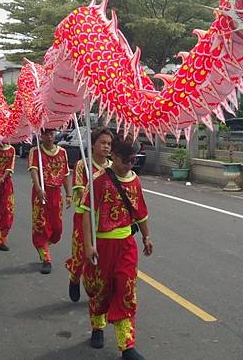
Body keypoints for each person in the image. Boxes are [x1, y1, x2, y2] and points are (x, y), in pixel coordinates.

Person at [81, 136, 153, 360]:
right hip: (103, 244)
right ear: (114, 156)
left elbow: (140, 211)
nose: (129, 165)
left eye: (133, 161)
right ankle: (97, 326)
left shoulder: (135, 181)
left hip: (126, 245)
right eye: (126, 160)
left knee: (125, 289)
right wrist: (88, 244)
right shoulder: (99, 180)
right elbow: (85, 212)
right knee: (102, 290)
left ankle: (126, 345)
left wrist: (146, 236)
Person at [65, 127, 113, 302]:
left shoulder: (112, 168)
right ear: (93, 144)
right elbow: (78, 192)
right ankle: (74, 278)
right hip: (84, 217)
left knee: (103, 257)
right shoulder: (82, 165)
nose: (106, 147)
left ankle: (98, 289)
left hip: (105, 220)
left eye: (109, 144)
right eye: (102, 143)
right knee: (81, 255)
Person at [28, 128, 71, 274]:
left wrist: (69, 194)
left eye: (52, 134)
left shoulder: (62, 152)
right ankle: (46, 258)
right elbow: (33, 170)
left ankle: (44, 246)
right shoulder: (36, 152)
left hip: (56, 194)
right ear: (41, 135)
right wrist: (38, 187)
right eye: (46, 134)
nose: (49, 137)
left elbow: (65, 175)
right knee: (41, 225)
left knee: (57, 229)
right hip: (42, 193)